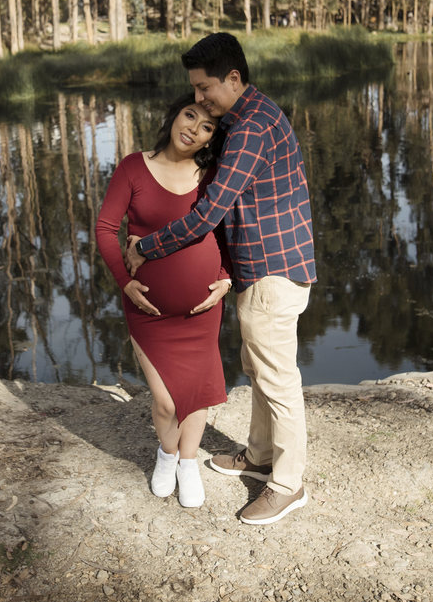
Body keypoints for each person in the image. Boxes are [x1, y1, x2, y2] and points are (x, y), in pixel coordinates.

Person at [124, 32, 316, 526]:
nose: (198, 98)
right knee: (258, 368)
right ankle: (260, 456)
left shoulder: (250, 129)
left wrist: (146, 247)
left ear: (233, 78)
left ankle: (288, 484)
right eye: (194, 89)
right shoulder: (250, 115)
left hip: (274, 271)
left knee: (277, 379)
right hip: (262, 268)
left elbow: (209, 214)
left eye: (205, 87)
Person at [95, 94, 234, 508]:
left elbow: (228, 230)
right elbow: (105, 228)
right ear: (174, 115)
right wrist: (124, 281)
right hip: (149, 311)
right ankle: (167, 453)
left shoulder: (212, 176)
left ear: (211, 138)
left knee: (198, 392)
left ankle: (188, 463)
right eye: (189, 115)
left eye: (207, 126)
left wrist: (225, 277)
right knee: (166, 399)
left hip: (202, 309)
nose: (193, 128)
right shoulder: (133, 167)